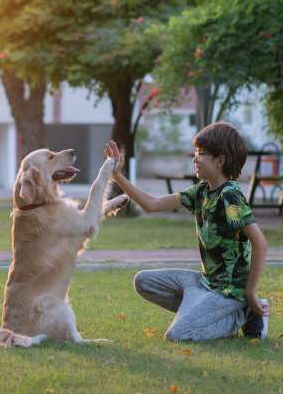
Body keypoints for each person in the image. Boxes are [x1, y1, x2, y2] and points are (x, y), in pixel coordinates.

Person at [104, 122, 270, 342]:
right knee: (143, 281)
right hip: (204, 284)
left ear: (220, 160)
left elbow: (260, 243)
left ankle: (244, 313)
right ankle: (207, 311)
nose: (195, 158)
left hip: (229, 292)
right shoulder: (201, 191)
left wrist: (250, 292)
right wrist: (117, 177)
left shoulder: (230, 195)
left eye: (201, 153)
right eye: (195, 152)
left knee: (177, 335)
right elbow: (151, 204)